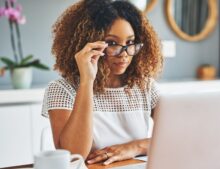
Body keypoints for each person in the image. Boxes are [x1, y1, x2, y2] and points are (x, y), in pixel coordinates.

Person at [41, 0, 163, 165]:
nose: (124, 54)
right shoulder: (62, 89)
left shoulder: (145, 87)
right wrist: (87, 81)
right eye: (112, 43)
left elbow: (178, 136)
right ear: (88, 44)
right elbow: (74, 155)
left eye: (130, 42)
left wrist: (135, 147)